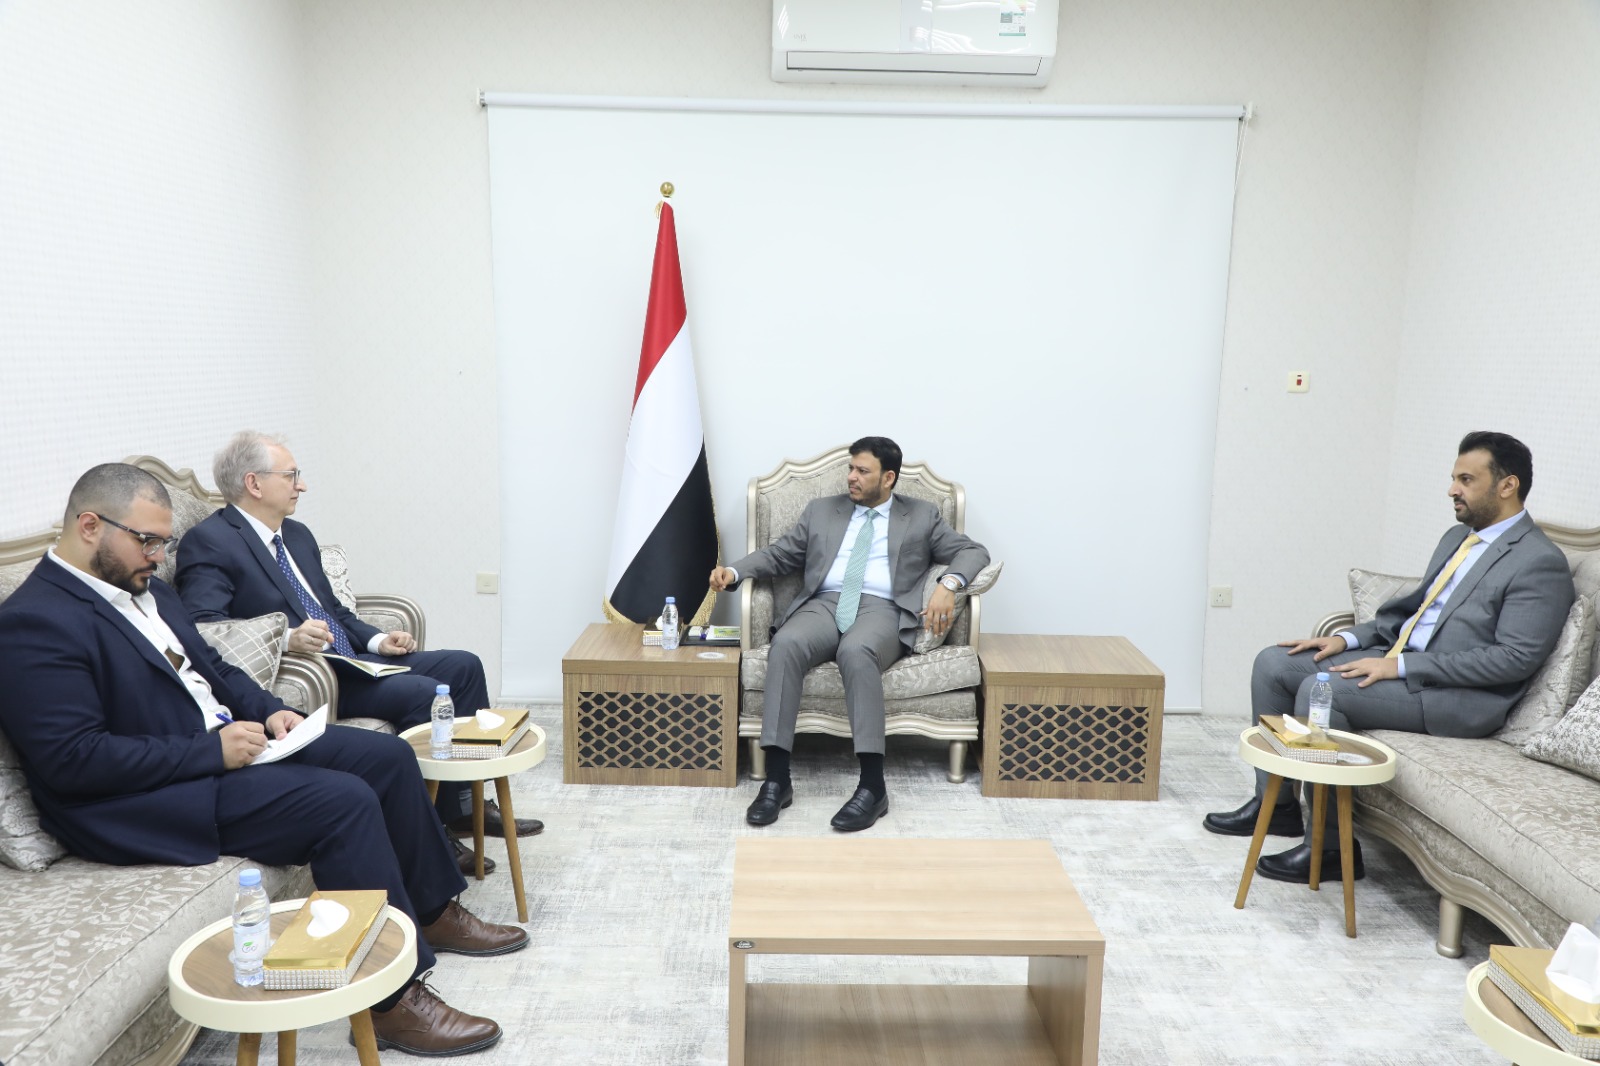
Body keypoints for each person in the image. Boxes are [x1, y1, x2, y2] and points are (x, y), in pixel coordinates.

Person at [0, 464, 527, 1056]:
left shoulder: (147, 589)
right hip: (145, 797)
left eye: (162, 543)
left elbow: (215, 669)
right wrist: (212, 751)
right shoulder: (34, 622)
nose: (158, 557)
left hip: (223, 745)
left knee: (386, 756)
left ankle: (429, 911)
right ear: (90, 526)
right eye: (146, 541)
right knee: (342, 803)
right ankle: (391, 1003)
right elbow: (73, 761)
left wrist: (273, 711)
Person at [1204, 431, 1575, 883]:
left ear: (1507, 485)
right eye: (1454, 478)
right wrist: (1348, 640)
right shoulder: (1458, 538)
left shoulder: (1539, 561)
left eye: (1465, 480)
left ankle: (1329, 848)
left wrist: (1399, 666)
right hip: (1401, 663)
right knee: (1274, 664)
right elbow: (1416, 613)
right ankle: (1276, 806)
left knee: (1323, 691)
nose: (1452, 489)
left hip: (1458, 697)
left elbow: (1514, 659)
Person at [174, 431, 541, 856]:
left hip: (355, 659)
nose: (302, 485)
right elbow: (205, 626)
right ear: (254, 483)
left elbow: (332, 610)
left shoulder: (296, 535)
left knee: (464, 665)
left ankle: (464, 807)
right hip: (316, 675)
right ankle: (432, 831)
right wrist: (287, 638)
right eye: (291, 475)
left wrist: (380, 640)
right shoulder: (212, 541)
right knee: (423, 693)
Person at [710, 436, 989, 831]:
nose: (852, 478)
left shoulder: (921, 515)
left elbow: (974, 551)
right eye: (851, 469)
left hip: (883, 608)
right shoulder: (823, 510)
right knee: (785, 644)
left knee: (857, 651)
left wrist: (949, 584)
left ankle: (873, 788)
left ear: (888, 478)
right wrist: (735, 571)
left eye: (862, 471)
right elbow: (780, 554)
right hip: (825, 603)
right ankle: (776, 780)